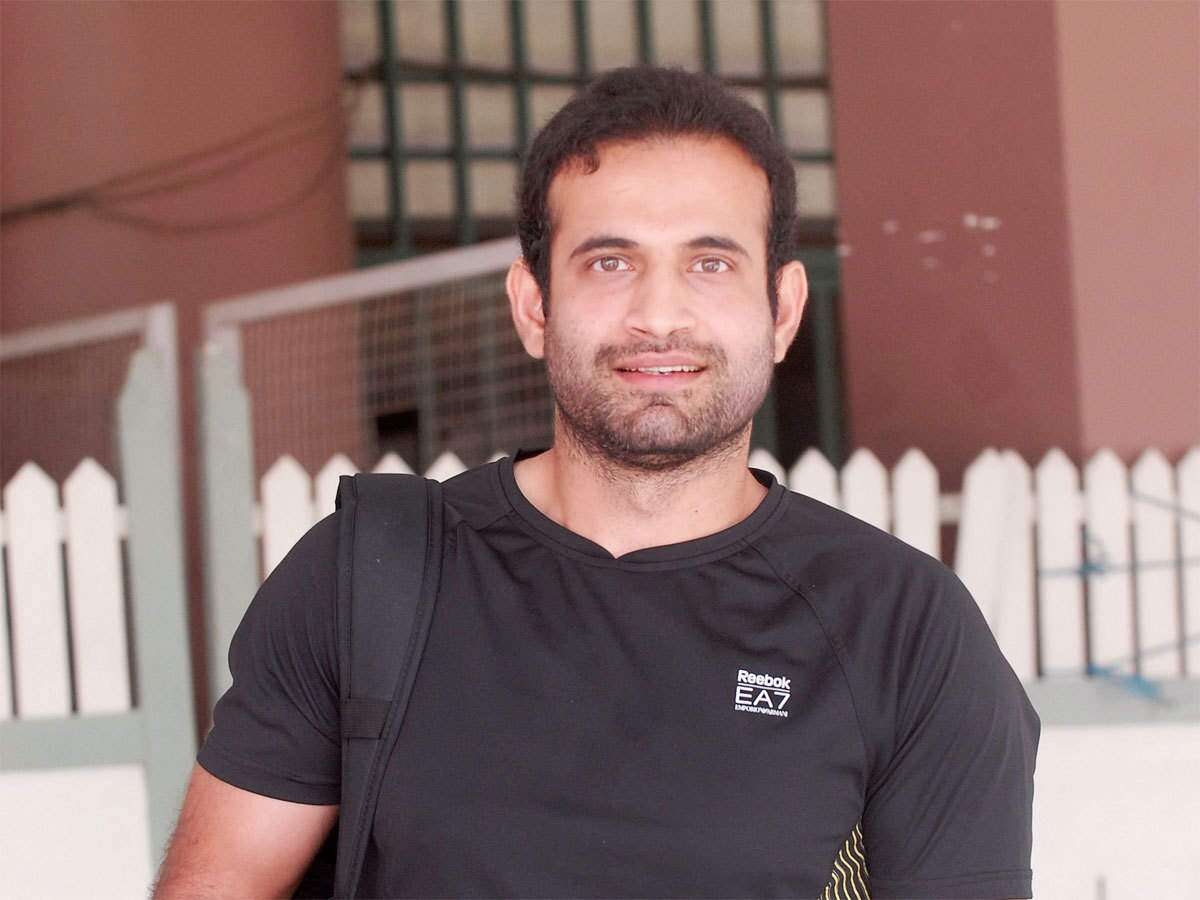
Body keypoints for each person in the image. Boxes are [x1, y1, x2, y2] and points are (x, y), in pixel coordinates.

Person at [155, 66, 1039, 899]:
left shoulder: (903, 629)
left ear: (782, 310)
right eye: (610, 262)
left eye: (710, 262)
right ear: (534, 306)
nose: (658, 315)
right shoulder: (367, 579)